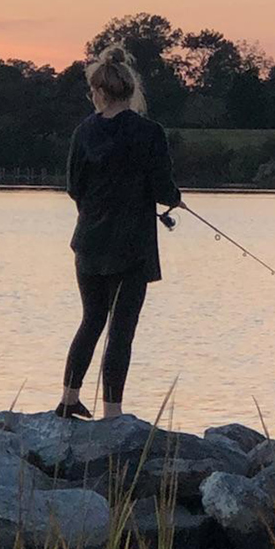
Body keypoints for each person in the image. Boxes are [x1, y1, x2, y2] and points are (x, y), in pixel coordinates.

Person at [57, 45, 183, 420]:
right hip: (133, 246)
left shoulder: (83, 132)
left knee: (91, 320)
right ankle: (113, 413)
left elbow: (73, 188)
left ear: (99, 91)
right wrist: (174, 199)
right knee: (121, 330)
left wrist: (94, 214)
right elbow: (163, 189)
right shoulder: (149, 133)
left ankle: (68, 399)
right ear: (130, 91)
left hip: (89, 244)